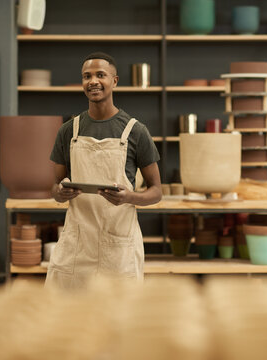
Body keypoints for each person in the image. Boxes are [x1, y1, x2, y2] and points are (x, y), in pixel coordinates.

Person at [45, 52, 162, 289]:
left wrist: (129, 197)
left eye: (101, 75)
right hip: (77, 244)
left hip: (118, 246)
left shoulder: (136, 131)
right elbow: (54, 186)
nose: (93, 81)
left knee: (118, 318)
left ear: (114, 81)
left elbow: (157, 191)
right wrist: (60, 193)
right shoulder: (69, 131)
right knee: (68, 315)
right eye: (87, 76)